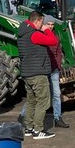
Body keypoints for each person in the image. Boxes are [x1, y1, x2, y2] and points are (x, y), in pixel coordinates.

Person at [16, 11, 58, 139]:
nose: (43, 25)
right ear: (37, 21)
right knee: (43, 101)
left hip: (27, 73)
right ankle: (38, 129)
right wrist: (47, 31)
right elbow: (53, 41)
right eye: (42, 23)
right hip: (37, 73)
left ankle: (28, 127)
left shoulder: (22, 33)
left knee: (31, 101)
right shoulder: (34, 35)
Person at [18, 38, 69, 128]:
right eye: (48, 24)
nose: (50, 26)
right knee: (36, 95)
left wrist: (58, 65)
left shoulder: (55, 38)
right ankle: (24, 115)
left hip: (54, 70)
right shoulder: (39, 37)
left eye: (52, 24)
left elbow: (58, 53)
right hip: (43, 70)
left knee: (56, 94)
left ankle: (57, 118)